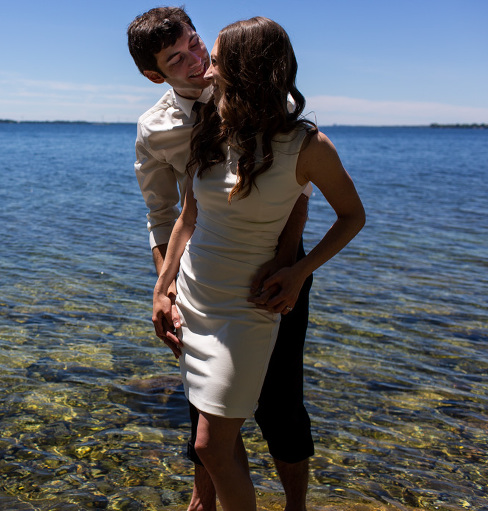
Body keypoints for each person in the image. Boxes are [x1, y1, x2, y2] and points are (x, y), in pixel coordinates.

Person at [152, 16, 365, 511]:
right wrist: (163, 288)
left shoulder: (306, 145)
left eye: (218, 56)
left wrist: (299, 269)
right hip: (196, 294)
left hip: (249, 305)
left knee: (213, 443)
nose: (207, 62)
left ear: (247, 70)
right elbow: (186, 217)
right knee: (212, 441)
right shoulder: (211, 126)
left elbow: (352, 216)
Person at [128, 7, 314, 510]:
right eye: (176, 58)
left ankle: (296, 504)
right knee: (203, 404)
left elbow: (299, 192)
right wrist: (164, 292)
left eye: (194, 42)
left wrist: (287, 268)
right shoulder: (155, 129)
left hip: (273, 269)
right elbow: (163, 215)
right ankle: (203, 499)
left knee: (279, 403)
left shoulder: (247, 82)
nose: (195, 59)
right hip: (199, 279)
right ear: (154, 74)